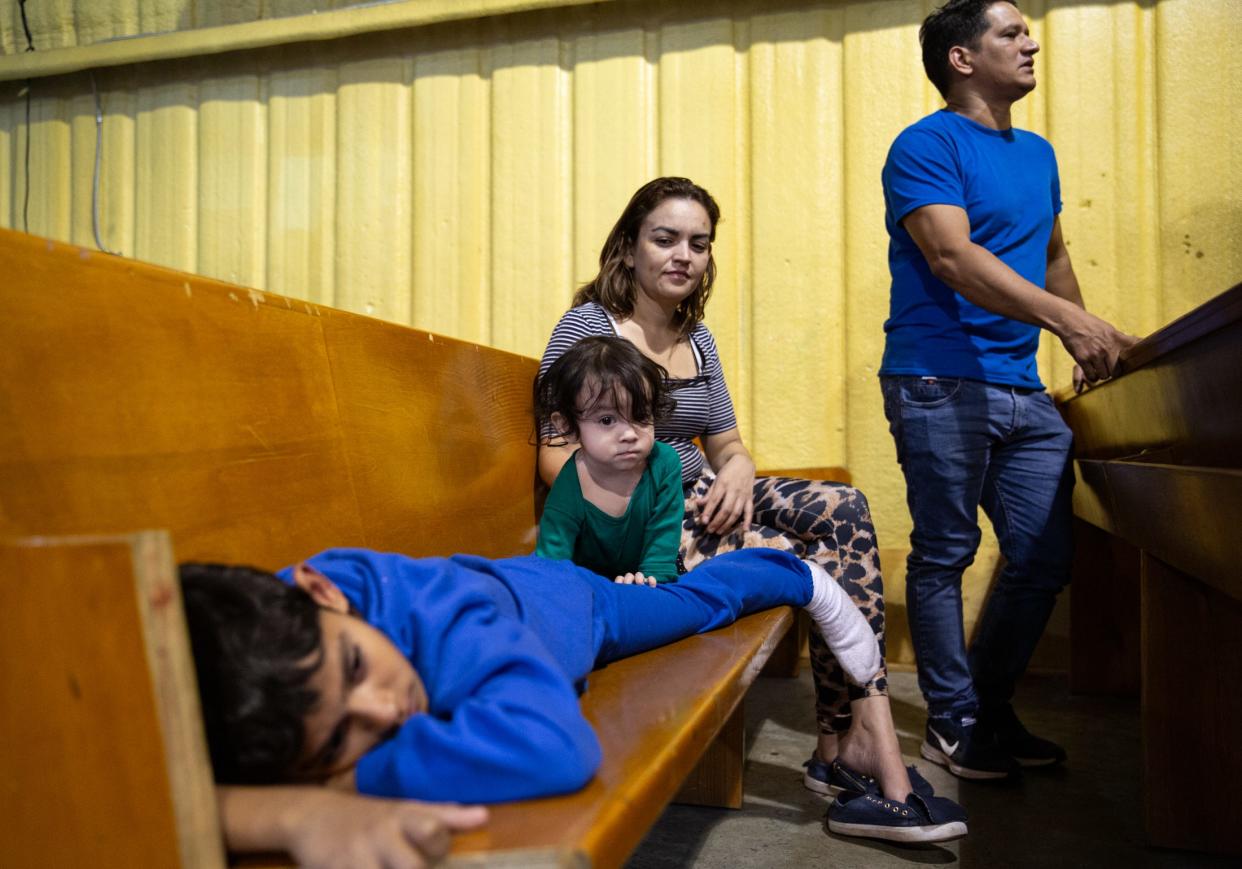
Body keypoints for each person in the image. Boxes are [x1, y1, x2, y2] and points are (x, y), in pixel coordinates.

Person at [536, 177, 923, 818]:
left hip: (707, 497)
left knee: (844, 508)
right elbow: (555, 457)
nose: (683, 255)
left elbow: (726, 443)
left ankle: (837, 738)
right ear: (629, 248)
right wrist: (654, 499)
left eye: (699, 243)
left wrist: (740, 469)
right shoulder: (587, 330)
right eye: (665, 239)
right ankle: (854, 744)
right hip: (647, 515)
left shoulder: (698, 336)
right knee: (812, 559)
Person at [181, 548, 967, 849]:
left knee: (697, 605)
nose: (385, 711)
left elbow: (555, 746)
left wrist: (336, 780)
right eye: (335, 741)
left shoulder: (440, 616)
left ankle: (790, 570)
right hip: (512, 593)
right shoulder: (271, 645)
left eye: (358, 669)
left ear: (324, 591)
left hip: (572, 607)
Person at [879, 0, 1137, 780]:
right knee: (946, 551)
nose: (1031, 42)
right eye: (1010, 33)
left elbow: (1052, 257)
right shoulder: (925, 145)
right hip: (938, 380)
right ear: (962, 58)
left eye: (1028, 31)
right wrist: (1068, 321)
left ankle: (988, 706)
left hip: (1022, 389)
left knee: (1041, 556)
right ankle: (951, 722)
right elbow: (952, 257)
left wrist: (1080, 328)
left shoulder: (1039, 154)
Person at [533, 334, 881, 681]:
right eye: (607, 421)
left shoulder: (663, 462)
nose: (629, 434)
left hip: (657, 581)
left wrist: (650, 578)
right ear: (567, 425)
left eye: (640, 417)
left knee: (708, 595)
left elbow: (662, 539)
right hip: (601, 592)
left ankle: (806, 581)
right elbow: (554, 560)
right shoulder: (570, 481)